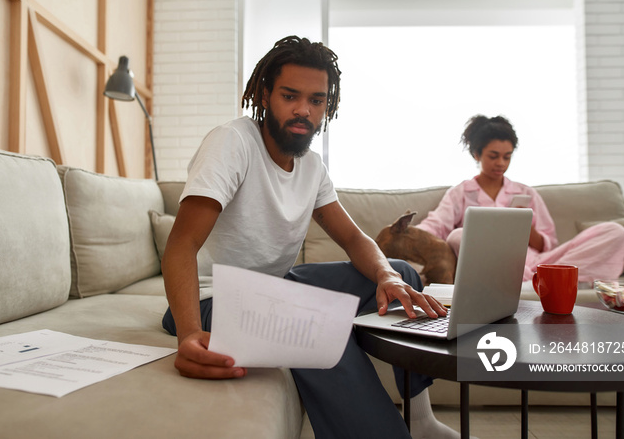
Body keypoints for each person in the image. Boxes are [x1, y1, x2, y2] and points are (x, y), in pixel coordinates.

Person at [161, 36, 471, 439]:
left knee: (400, 274)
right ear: (263, 93)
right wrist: (188, 333)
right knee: (318, 324)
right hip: (213, 298)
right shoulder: (232, 143)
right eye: (290, 95)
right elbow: (181, 245)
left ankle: (422, 421)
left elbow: (355, 239)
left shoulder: (312, 167)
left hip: (276, 286)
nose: (304, 110)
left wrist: (386, 276)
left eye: (317, 100)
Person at [416, 114, 624, 282]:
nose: (501, 163)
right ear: (476, 154)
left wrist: (527, 230)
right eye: (493, 156)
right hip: (490, 265)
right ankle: (529, 280)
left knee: (615, 232)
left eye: (507, 157)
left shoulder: (526, 193)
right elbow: (433, 227)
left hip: (538, 263)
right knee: (458, 235)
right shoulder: (460, 193)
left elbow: (549, 244)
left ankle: (536, 279)